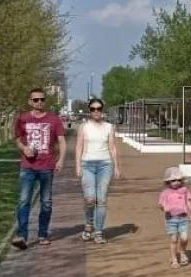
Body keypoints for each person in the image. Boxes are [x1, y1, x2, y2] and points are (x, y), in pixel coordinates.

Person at [13, 87, 66, 249]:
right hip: (28, 167)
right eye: (36, 100)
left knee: (46, 202)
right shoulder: (23, 119)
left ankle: (42, 234)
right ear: (30, 101)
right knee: (24, 201)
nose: (39, 102)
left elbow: (62, 141)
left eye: (42, 99)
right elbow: (17, 139)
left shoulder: (53, 119)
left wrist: (61, 160)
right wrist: (24, 148)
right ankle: (22, 236)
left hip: (46, 166)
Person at [75, 98, 121, 243]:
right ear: (89, 111)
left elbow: (112, 147)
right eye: (93, 109)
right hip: (87, 164)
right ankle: (88, 225)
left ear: (102, 110)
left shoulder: (109, 127)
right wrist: (78, 165)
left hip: (105, 165)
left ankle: (99, 232)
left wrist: (116, 166)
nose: (96, 111)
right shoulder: (84, 127)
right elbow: (79, 146)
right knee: (90, 199)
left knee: (101, 199)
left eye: (99, 109)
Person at [158, 166, 191, 268]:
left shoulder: (184, 191)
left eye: (179, 180)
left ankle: (182, 252)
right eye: (173, 180)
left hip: (183, 218)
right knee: (174, 239)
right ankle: (174, 259)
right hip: (171, 219)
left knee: (185, 238)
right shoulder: (165, 193)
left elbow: (188, 202)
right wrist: (164, 208)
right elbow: (161, 205)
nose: (176, 182)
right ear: (168, 182)